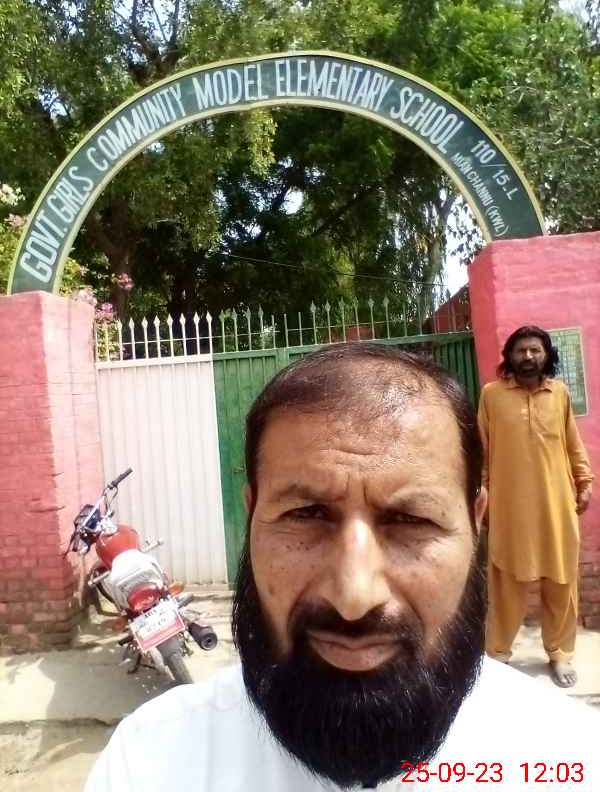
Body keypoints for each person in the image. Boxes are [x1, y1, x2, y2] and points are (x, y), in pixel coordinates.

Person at [85, 343, 597, 792]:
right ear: (252, 516)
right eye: (305, 515)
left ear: (476, 522)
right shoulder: (150, 763)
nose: (354, 596)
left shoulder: (573, 757)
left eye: (411, 520)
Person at [478, 326, 593, 688]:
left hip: (557, 506)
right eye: (520, 350)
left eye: (535, 350)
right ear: (509, 357)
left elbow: (573, 443)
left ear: (547, 355)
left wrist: (585, 481)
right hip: (509, 508)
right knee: (506, 583)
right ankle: (498, 654)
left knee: (561, 582)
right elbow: (483, 450)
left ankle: (560, 653)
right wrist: (483, 494)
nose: (528, 356)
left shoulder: (559, 394)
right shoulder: (492, 395)